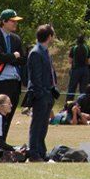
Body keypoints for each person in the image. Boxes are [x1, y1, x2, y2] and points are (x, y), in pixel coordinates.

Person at [0, 9, 26, 125]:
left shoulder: (16, 38)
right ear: (4, 21)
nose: (15, 23)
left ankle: (3, 141)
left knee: (9, 115)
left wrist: (10, 58)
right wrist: (13, 56)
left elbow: (22, 59)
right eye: (13, 21)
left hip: (15, 81)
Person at [25, 24, 57, 161]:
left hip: (48, 93)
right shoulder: (36, 52)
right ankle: (33, 152)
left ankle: (41, 151)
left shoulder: (44, 51)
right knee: (37, 124)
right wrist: (42, 93)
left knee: (43, 125)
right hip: (41, 94)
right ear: (49, 36)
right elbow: (35, 77)